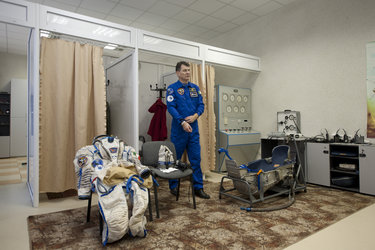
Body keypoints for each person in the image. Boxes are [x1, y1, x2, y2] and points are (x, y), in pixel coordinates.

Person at [166, 61, 210, 199]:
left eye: (189, 70)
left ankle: (198, 187)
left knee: (196, 159)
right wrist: (182, 121)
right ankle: (173, 186)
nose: (188, 73)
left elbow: (201, 105)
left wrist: (196, 115)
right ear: (178, 72)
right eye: (184, 70)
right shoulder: (172, 89)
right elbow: (171, 107)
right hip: (179, 130)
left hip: (193, 130)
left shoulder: (195, 88)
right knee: (175, 159)